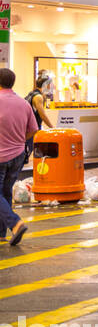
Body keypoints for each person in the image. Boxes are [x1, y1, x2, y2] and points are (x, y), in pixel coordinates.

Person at [0, 68, 38, 245]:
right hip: (17, 155)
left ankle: (15, 223)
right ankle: (2, 232)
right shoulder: (23, 103)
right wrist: (20, 140)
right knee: (6, 192)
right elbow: (33, 129)